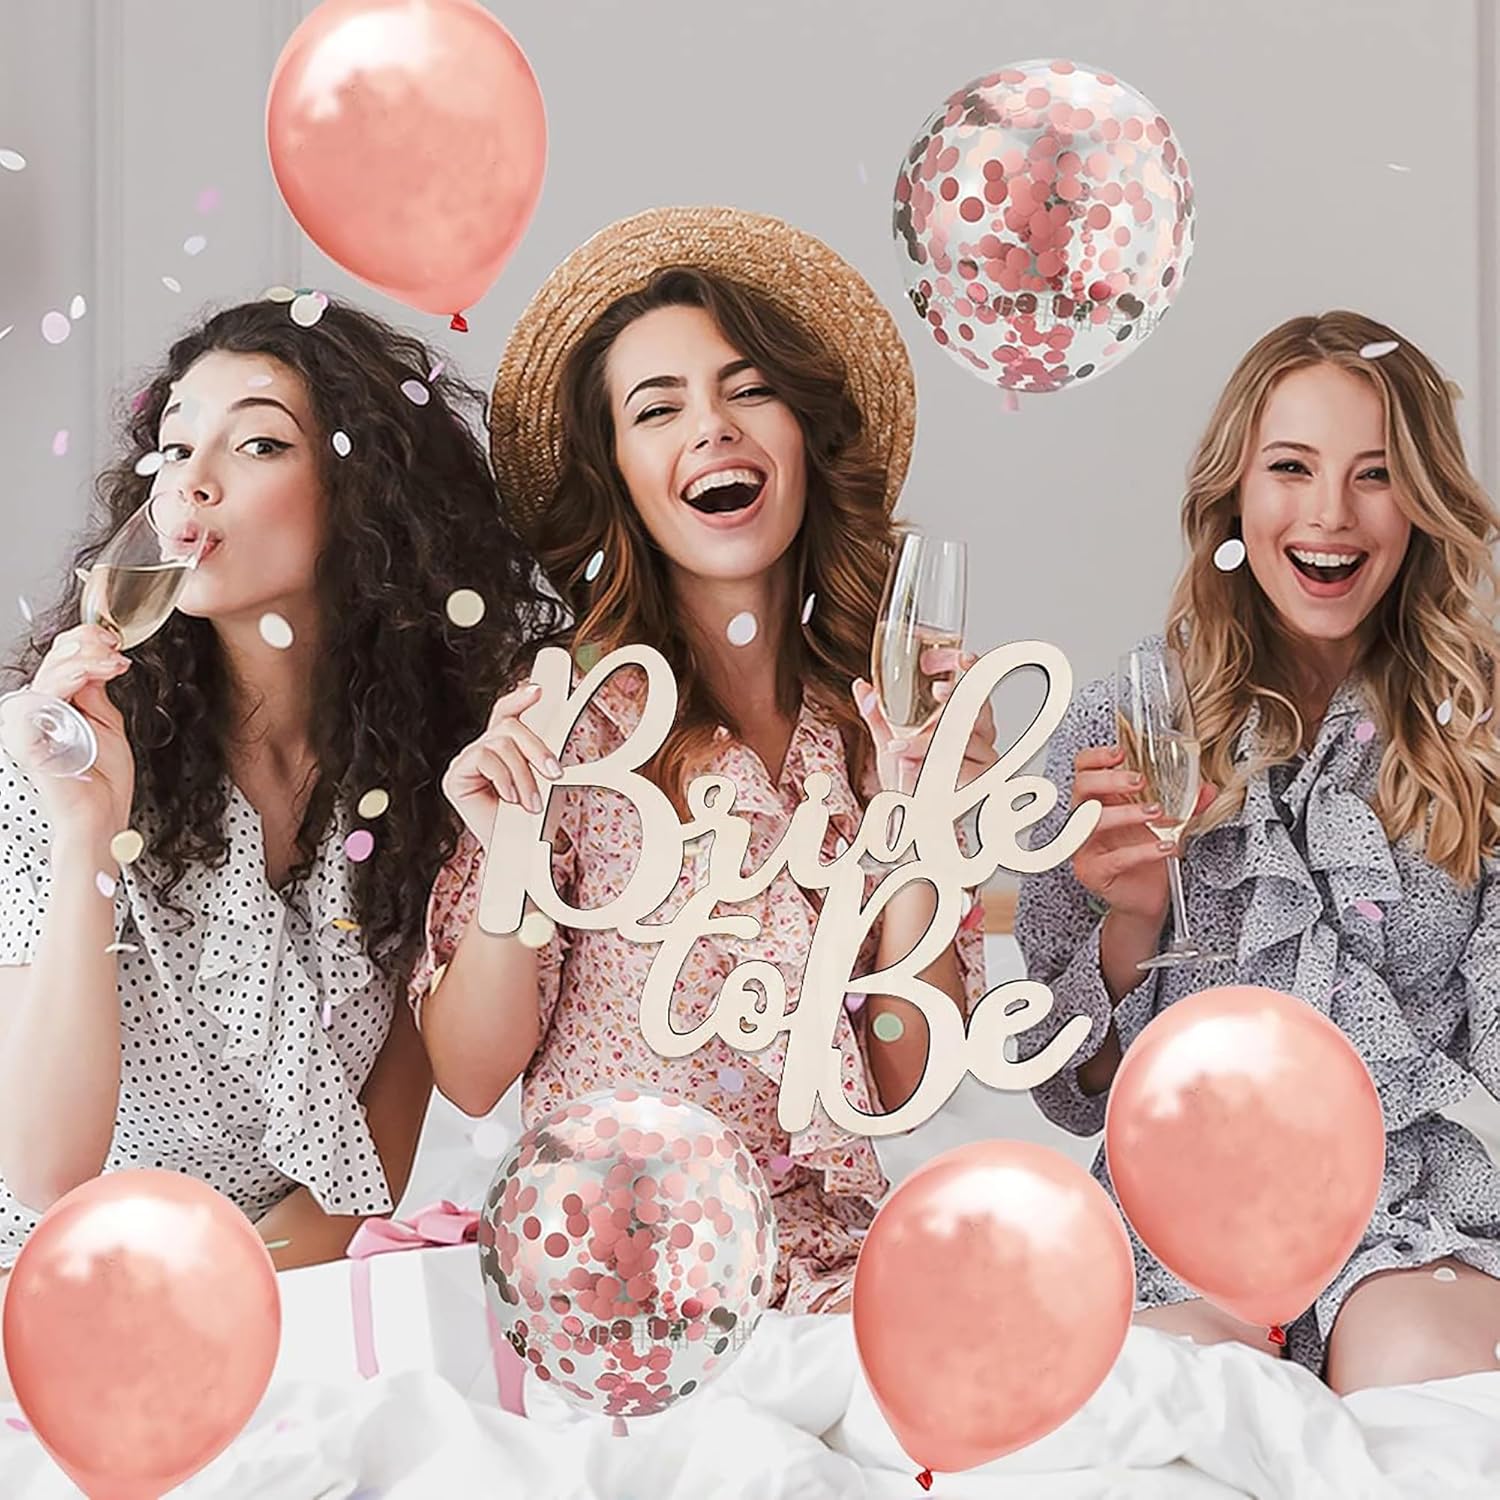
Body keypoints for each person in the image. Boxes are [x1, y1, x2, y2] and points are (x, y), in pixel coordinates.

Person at [413, 205, 995, 1314]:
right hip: (620, 1275)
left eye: (749, 391)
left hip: (834, 1278)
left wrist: (924, 820)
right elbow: (473, 1073)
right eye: (659, 409)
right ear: (621, 472)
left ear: (803, 437)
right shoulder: (568, 721)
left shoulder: (876, 723)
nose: (713, 430)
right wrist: (509, 861)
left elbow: (905, 1084)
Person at [0, 295, 562, 1277]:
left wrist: (247, 1304)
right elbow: (45, 1170)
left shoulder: (428, 772)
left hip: (268, 1289)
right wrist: (87, 834)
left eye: (257, 446)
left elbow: (367, 1169)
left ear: (366, 493)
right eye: (174, 450)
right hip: (45, 1276)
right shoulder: (52, 763)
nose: (192, 486)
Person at [1015, 311, 1500, 1392]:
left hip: (1412, 1209)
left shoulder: (1483, 731)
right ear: (1235, 492)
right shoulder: (1123, 724)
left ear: (1422, 504)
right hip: (1178, 1216)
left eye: (1375, 474)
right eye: (1291, 467)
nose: (1329, 514)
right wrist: (1132, 920)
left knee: (1426, 1386)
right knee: (1167, 1397)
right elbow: (1067, 1088)